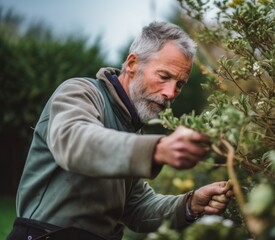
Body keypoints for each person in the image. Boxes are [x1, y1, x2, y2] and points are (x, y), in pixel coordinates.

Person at [6, 21, 233, 240]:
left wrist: (190, 204)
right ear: (133, 64)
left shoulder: (131, 130)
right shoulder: (81, 92)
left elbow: (136, 206)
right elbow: (75, 142)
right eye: (164, 77)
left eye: (179, 84)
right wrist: (157, 149)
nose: (171, 93)